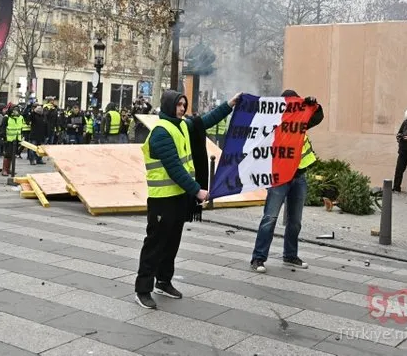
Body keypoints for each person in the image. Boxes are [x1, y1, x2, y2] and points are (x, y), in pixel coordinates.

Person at [134, 89, 240, 310]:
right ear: (168, 106)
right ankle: (142, 289)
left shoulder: (182, 125)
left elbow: (205, 122)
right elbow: (174, 168)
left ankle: (163, 281)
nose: (182, 108)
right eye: (178, 105)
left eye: (184, 104)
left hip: (179, 198)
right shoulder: (161, 132)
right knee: (155, 245)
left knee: (172, 242)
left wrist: (229, 105)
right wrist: (197, 190)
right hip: (162, 199)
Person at [250, 91, 324, 273]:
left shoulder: (301, 121)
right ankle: (258, 258)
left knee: (295, 221)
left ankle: (290, 255)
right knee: (270, 218)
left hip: (298, 177)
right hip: (279, 178)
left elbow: (318, 116)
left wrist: (314, 104)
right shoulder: (274, 122)